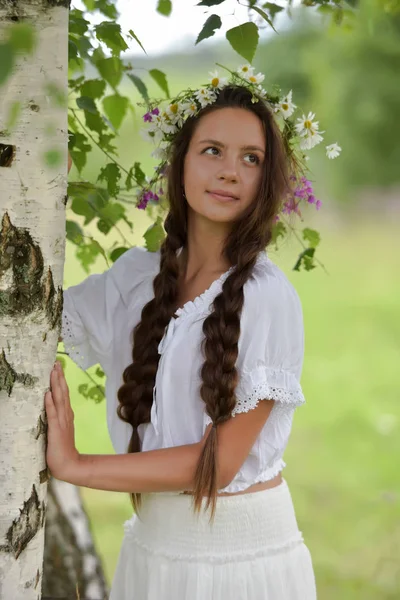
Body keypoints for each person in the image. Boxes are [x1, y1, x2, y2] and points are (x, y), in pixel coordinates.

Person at [46, 75, 318, 599]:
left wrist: (76, 466)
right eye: (212, 150)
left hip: (240, 563)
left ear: (268, 179)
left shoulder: (267, 297)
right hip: (151, 550)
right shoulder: (134, 279)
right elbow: (33, 317)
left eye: (251, 158)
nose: (229, 172)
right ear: (180, 162)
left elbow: (218, 466)